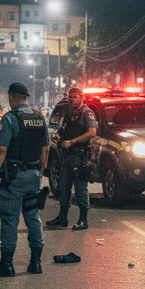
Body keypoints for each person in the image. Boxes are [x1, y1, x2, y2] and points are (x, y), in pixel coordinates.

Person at [0, 82, 48, 277]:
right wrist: (40, 172)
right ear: (26, 97)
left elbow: (1, 149)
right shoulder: (40, 118)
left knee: (10, 219)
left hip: (14, 178)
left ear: (11, 97)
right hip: (34, 176)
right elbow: (45, 149)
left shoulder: (11, 118)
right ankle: (36, 263)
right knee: (33, 217)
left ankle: (7, 265)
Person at [46, 87, 98, 230]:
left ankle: (83, 220)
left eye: (75, 97)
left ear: (82, 98)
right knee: (64, 188)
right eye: (70, 97)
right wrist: (58, 136)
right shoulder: (68, 113)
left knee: (81, 189)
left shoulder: (86, 113)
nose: (72, 100)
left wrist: (73, 141)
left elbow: (92, 132)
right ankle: (62, 217)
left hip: (80, 156)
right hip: (67, 156)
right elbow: (62, 129)